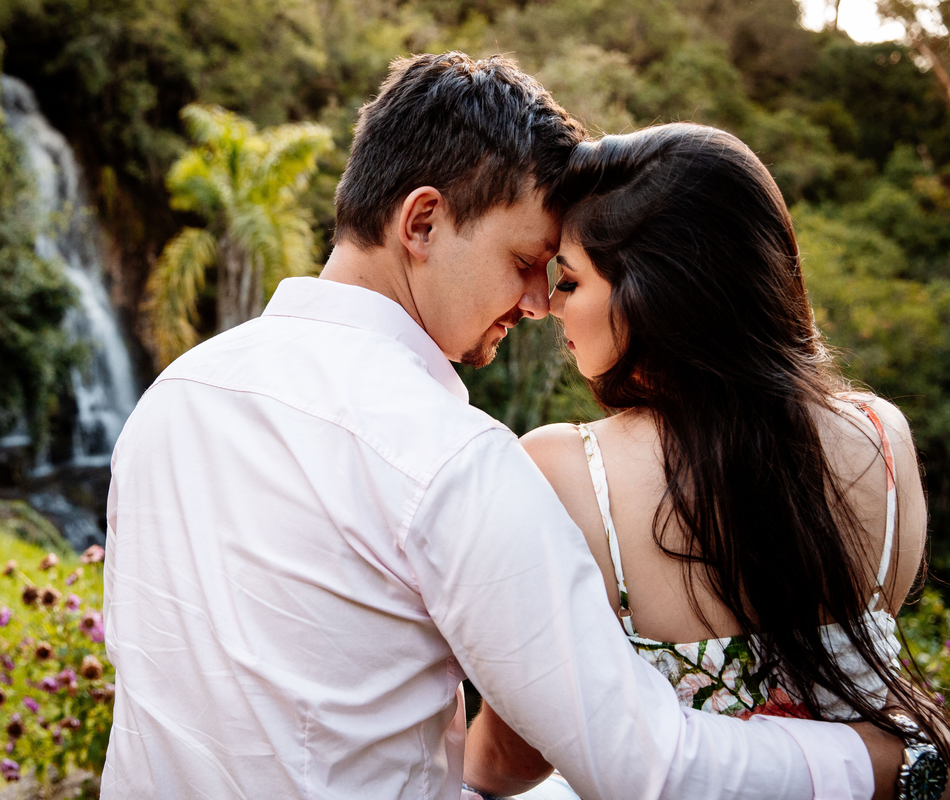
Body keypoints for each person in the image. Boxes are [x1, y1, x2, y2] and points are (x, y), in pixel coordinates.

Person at [101, 54, 902, 800]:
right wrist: (882, 758)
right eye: (526, 261)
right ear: (421, 223)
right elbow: (645, 765)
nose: (537, 303)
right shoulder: (446, 458)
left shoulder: (174, 394)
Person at [464, 123, 948, 799]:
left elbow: (512, 758)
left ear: (654, 294)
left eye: (570, 281)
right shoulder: (882, 436)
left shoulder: (567, 471)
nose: (546, 307)